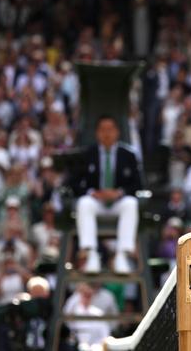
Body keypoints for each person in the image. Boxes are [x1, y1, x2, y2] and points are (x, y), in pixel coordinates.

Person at [74, 115, 142, 273]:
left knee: (131, 203)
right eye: (103, 130)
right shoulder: (87, 154)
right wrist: (93, 193)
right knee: (84, 203)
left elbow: (138, 184)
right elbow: (74, 183)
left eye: (110, 129)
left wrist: (119, 193)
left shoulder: (128, 155)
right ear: (97, 133)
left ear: (117, 132)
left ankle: (122, 255)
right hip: (96, 202)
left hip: (118, 202)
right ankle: (91, 255)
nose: (107, 134)